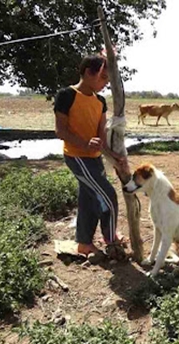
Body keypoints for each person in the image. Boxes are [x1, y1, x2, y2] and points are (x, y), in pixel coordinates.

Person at [54, 55, 125, 256]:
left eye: (107, 80)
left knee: (88, 199)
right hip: (77, 157)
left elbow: (100, 138)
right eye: (102, 78)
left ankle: (84, 243)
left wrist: (113, 156)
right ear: (88, 73)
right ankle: (111, 240)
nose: (105, 84)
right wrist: (85, 143)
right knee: (108, 196)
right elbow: (61, 131)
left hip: (95, 159)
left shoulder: (100, 102)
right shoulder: (67, 95)